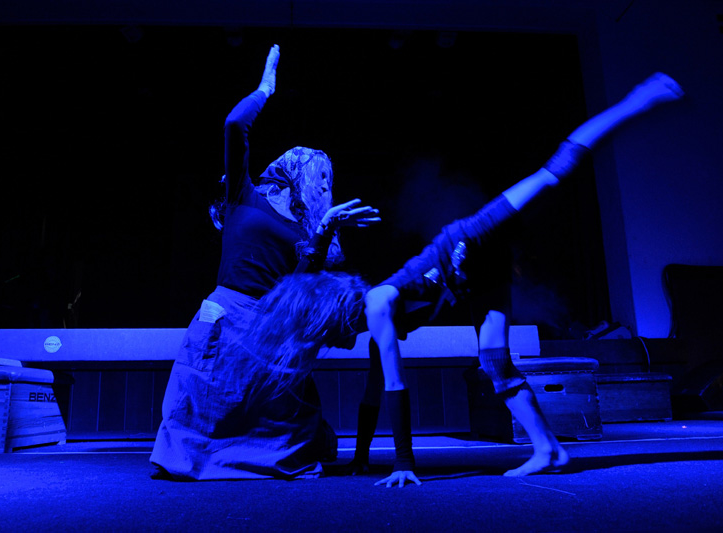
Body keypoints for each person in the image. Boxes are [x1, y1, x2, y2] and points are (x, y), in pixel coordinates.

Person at [240, 71, 684, 487]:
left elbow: (396, 386)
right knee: (496, 363)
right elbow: (375, 393)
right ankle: (549, 449)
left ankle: (637, 100)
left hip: (471, 240)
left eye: (333, 333)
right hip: (476, 281)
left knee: (551, 175)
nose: (338, 341)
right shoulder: (376, 326)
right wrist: (360, 457)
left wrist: (404, 464)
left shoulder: (376, 304)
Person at [149, 44, 379, 481]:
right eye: (320, 175)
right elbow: (234, 125)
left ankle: (263, 453)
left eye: (328, 180)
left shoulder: (306, 231)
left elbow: (297, 290)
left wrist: (324, 230)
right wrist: (264, 90)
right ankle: (197, 457)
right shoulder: (244, 194)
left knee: (283, 427)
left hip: (271, 327)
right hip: (228, 315)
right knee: (203, 404)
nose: (324, 185)